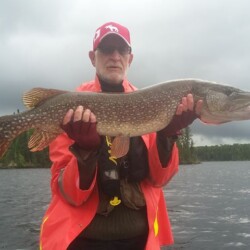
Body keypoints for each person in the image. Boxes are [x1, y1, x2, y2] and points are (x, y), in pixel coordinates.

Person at [39, 22, 203, 250]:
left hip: (139, 240)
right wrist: (85, 152)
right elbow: (69, 193)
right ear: (92, 57)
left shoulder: (152, 104)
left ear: (130, 58)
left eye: (121, 50)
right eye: (106, 49)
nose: (114, 56)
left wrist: (168, 134)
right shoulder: (73, 107)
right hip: (80, 240)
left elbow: (160, 179)